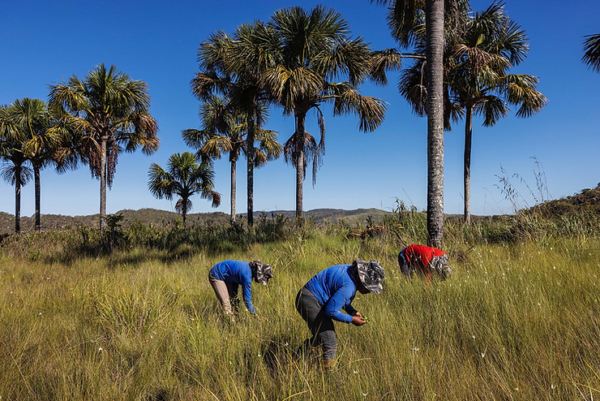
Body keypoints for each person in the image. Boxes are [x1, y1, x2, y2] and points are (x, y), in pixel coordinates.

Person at [295, 259, 385, 369]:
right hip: (309, 300)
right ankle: (329, 373)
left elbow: (338, 298)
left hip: (307, 296)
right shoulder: (349, 286)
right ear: (363, 280)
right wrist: (352, 319)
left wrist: (352, 311)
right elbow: (330, 311)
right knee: (329, 339)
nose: (369, 291)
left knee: (322, 335)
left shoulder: (350, 272)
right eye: (369, 287)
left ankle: (297, 358)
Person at [208, 260, 273, 316]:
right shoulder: (247, 277)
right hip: (216, 274)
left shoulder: (248, 269)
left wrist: (234, 298)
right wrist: (255, 315)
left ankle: (235, 317)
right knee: (226, 303)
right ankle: (231, 324)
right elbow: (247, 300)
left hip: (227, 276)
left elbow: (234, 279)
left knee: (233, 298)